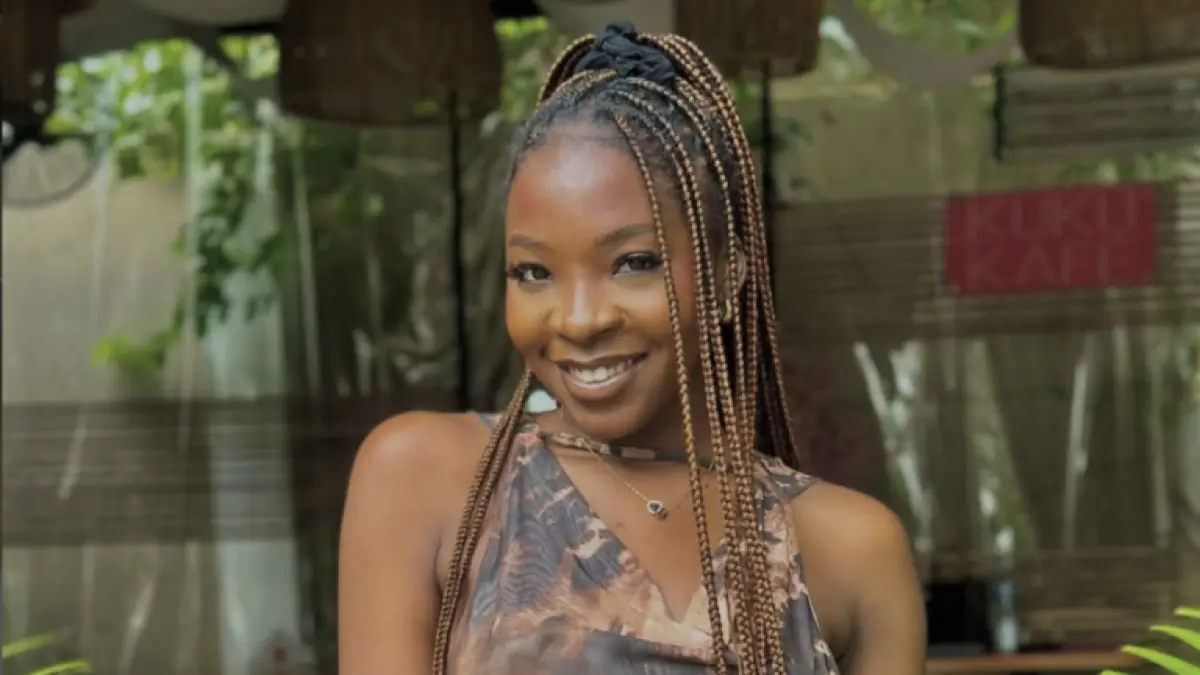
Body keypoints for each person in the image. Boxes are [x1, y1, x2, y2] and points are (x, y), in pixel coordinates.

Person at [339, 22, 926, 675]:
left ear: (726, 272)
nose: (579, 319)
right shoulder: (423, 476)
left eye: (633, 262)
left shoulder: (852, 550)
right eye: (533, 272)